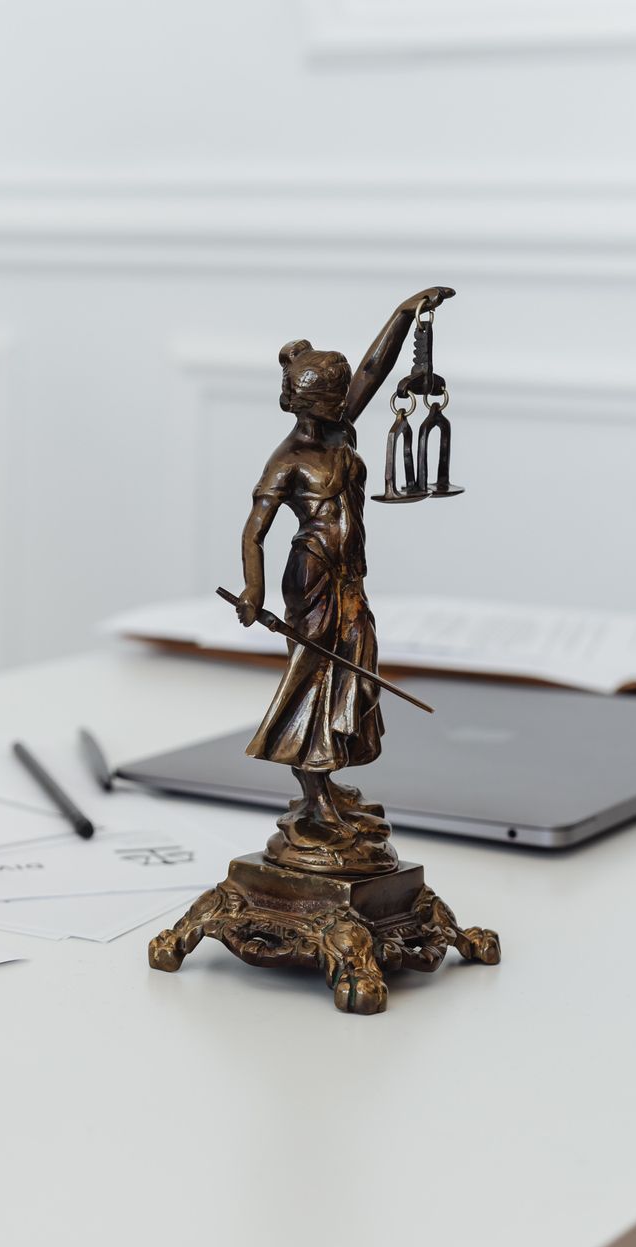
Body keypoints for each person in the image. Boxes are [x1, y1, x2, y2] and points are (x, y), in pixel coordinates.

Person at [233, 285, 454, 875]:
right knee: (315, 682)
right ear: (311, 405)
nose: (348, 404)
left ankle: (327, 789)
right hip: (310, 579)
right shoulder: (287, 460)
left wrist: (404, 315)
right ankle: (314, 798)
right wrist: (252, 590)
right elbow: (254, 531)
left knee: (355, 678)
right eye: (337, 400)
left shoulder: (338, 429)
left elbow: (374, 372)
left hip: (351, 579)